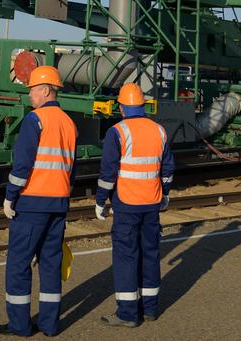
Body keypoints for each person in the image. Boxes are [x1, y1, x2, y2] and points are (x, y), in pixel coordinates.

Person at [0, 66, 76, 338]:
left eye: (31, 89)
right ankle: (50, 325)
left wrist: (10, 197)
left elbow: (22, 166)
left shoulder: (35, 120)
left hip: (32, 203)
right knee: (51, 264)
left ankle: (19, 325)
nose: (29, 94)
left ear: (45, 90)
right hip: (58, 203)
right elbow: (70, 168)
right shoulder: (68, 122)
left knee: (19, 264)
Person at [95, 83, 176, 328]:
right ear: (142, 105)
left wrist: (100, 201)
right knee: (150, 254)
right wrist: (165, 194)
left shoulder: (117, 132)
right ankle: (150, 308)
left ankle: (128, 313)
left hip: (127, 205)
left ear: (121, 107)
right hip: (152, 203)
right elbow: (168, 169)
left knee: (126, 257)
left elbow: (108, 173)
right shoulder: (158, 130)